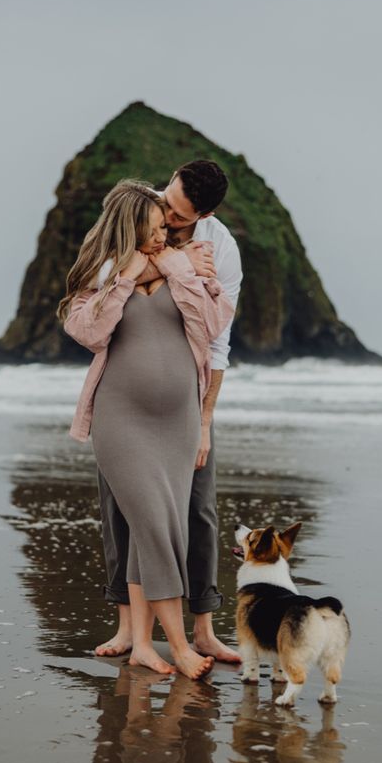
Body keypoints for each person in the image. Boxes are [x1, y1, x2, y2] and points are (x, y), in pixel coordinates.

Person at [59, 179, 235, 678]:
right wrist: (127, 279)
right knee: (157, 529)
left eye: (167, 229)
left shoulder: (183, 260)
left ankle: (141, 643)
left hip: (177, 420)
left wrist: (168, 268)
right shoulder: (104, 273)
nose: (165, 237)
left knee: (157, 528)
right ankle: (178, 645)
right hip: (123, 419)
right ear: (132, 226)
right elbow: (90, 333)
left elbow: (215, 321)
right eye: (157, 229)